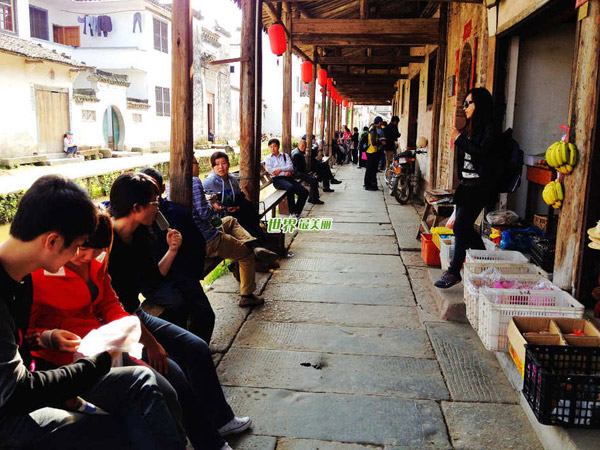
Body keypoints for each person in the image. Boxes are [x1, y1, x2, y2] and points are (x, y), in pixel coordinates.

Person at [0, 174, 185, 449]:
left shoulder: (20, 278)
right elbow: (15, 391)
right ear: (52, 241)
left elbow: (19, 347)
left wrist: (49, 337)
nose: (79, 257)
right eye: (76, 247)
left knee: (144, 382)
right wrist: (99, 363)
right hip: (11, 411)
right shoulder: (26, 280)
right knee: (117, 427)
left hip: (38, 378)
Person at [28, 206, 234, 450]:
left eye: (96, 251)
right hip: (69, 364)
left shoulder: (98, 260)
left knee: (168, 388)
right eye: (83, 248)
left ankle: (196, 440)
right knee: (145, 395)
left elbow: (110, 303)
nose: (88, 256)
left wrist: (126, 325)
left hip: (106, 347)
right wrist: (50, 338)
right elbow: (25, 335)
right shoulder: (40, 273)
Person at [107, 172, 253, 447]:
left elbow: (151, 280)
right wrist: (151, 343)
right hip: (118, 326)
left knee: (196, 347)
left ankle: (222, 421)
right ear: (135, 208)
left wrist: (173, 249)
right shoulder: (105, 243)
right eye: (153, 202)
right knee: (173, 372)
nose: (158, 206)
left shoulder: (139, 235)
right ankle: (209, 442)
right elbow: (110, 307)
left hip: (134, 316)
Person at [139, 167, 215, 343]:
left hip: (183, 274)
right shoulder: (137, 223)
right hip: (156, 283)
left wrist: (192, 273)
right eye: (145, 195)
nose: (151, 201)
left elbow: (197, 244)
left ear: (162, 189)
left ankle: (198, 350)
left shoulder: (178, 213)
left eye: (154, 193)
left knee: (205, 314)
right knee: (177, 307)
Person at [188, 158, 274, 306]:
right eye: (196, 163)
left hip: (201, 231)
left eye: (224, 163)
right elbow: (204, 213)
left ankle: (253, 245)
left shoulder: (174, 184)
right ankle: (247, 295)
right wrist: (212, 203)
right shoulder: (195, 181)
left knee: (231, 221)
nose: (221, 167)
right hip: (207, 238)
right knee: (246, 254)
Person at [435, 88, 497, 289]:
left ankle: (454, 272)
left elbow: (482, 153)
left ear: (478, 105)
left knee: (461, 226)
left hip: (479, 187)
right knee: (463, 227)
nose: (464, 108)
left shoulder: (490, 128)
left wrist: (459, 139)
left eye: (467, 103)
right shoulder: (473, 128)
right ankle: (485, 262)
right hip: (467, 186)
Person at [202, 152, 266, 242]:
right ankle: (253, 244)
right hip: (218, 216)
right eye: (217, 164)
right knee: (242, 225)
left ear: (228, 164)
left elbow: (239, 196)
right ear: (212, 167)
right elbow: (206, 204)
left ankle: (258, 240)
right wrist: (215, 205)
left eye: (224, 163)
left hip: (233, 210)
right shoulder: (208, 183)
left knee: (250, 211)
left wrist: (237, 207)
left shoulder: (232, 179)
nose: (221, 167)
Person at [264, 138, 309, 217]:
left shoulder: (285, 156)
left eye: (274, 146)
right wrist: (284, 173)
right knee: (290, 187)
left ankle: (296, 212)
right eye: (270, 147)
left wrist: (280, 169)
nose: (273, 148)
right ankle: (292, 213)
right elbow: (271, 171)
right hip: (277, 180)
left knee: (304, 192)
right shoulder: (268, 158)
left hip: (288, 178)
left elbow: (290, 167)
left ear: (278, 147)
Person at [292, 140, 324, 205]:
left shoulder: (299, 152)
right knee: (313, 180)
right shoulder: (296, 154)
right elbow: (297, 168)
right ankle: (314, 199)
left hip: (299, 172)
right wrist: (307, 174)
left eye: (305, 146)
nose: (304, 147)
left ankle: (312, 198)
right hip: (296, 174)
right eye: (302, 146)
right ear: (298, 145)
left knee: (313, 178)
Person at [364, 117, 386, 191]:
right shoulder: (373, 130)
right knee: (370, 169)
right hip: (371, 151)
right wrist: (380, 142)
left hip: (372, 151)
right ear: (379, 123)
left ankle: (370, 184)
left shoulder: (372, 128)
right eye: (381, 123)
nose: (381, 125)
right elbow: (373, 142)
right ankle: (368, 185)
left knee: (371, 169)